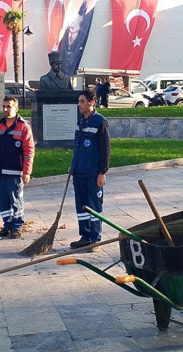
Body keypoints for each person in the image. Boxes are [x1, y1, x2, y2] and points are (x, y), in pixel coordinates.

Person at [0, 97, 35, 239]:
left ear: (16, 108)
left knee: (15, 199)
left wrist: (27, 172)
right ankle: (7, 225)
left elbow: (28, 151)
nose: (6, 109)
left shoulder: (23, 127)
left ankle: (17, 226)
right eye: (4, 106)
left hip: (15, 171)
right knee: (3, 200)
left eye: (9, 106)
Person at [69, 89, 110, 249]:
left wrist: (102, 172)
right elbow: (78, 146)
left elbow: (105, 149)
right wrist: (73, 165)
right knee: (81, 205)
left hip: (93, 173)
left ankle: (94, 238)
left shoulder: (100, 122)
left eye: (82, 101)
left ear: (91, 103)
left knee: (94, 205)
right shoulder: (81, 121)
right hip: (79, 172)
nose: (79, 104)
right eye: (79, 101)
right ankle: (84, 236)